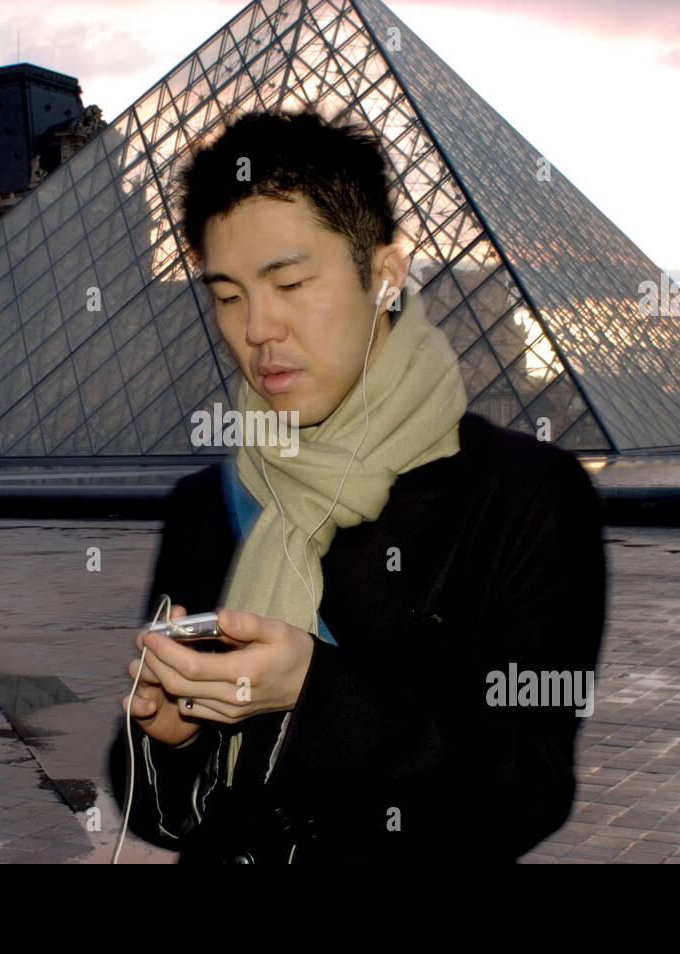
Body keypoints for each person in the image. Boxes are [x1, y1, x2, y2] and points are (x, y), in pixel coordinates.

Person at [108, 109, 606, 864]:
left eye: (291, 282)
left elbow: (526, 791)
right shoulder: (208, 504)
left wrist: (316, 691)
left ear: (385, 275)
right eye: (228, 293)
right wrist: (168, 736)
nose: (258, 329)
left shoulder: (525, 495)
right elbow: (150, 810)